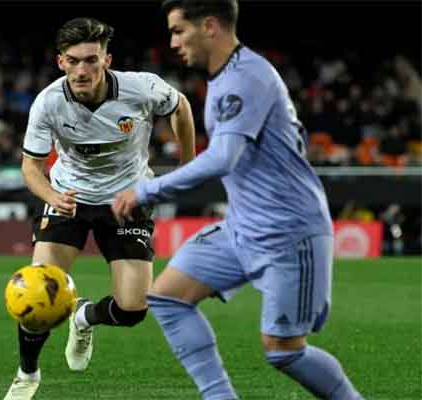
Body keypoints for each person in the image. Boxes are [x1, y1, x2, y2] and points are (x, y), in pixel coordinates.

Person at [112, 1, 364, 399]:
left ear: (209, 25)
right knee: (167, 297)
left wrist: (147, 189)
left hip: (288, 231)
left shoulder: (246, 77)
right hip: (243, 227)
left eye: (179, 30)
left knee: (283, 351)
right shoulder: (226, 77)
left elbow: (222, 157)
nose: (172, 41)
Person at [4, 17, 196, 400]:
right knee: (39, 291)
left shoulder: (141, 89)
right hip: (68, 198)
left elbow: (181, 107)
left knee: (133, 309)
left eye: (91, 60)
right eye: (73, 61)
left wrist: (188, 164)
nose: (82, 70)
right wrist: (50, 197)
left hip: (126, 201)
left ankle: (84, 315)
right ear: (61, 62)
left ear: (107, 59)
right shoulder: (48, 102)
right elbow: (31, 167)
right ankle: (27, 375)